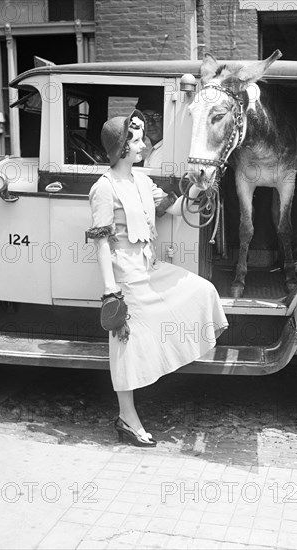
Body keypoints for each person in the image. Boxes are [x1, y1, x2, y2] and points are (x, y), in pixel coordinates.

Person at [86, 110, 228, 447]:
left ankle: (144, 394)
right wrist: (110, 292)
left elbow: (176, 208)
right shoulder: (103, 189)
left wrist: (196, 187)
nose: (142, 144)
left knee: (202, 290)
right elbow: (101, 242)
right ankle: (127, 417)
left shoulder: (142, 181)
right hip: (126, 277)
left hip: (150, 267)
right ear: (120, 148)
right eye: (134, 140)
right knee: (125, 342)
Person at [136, 93, 163, 168]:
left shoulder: (166, 152)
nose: (151, 122)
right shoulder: (156, 149)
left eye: (156, 117)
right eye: (146, 118)